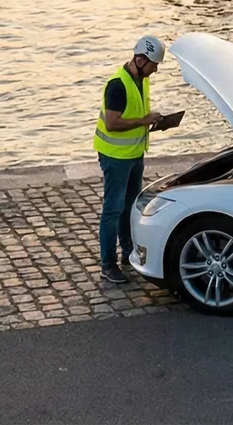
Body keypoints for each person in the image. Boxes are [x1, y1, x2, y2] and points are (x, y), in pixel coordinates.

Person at [94, 34, 177, 284]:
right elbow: (112, 123)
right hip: (115, 158)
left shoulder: (141, 80)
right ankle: (107, 264)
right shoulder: (117, 85)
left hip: (134, 155)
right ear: (141, 60)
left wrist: (154, 122)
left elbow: (136, 113)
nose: (156, 69)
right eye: (154, 64)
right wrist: (143, 121)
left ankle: (128, 251)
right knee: (112, 210)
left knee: (130, 208)